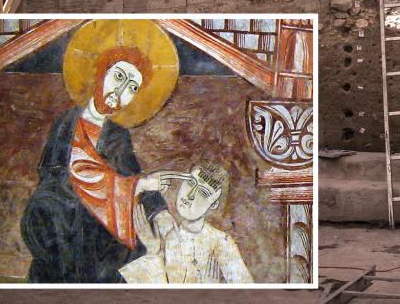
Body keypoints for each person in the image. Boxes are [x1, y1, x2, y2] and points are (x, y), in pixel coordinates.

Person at [21, 48, 188, 282]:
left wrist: (159, 213)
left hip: (100, 240)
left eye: (132, 88)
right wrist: (123, 187)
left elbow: (132, 176)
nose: (120, 91)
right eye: (119, 77)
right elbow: (50, 177)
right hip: (60, 232)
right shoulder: (66, 124)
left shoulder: (117, 135)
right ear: (102, 72)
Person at [120, 161, 253, 284]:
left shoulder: (220, 243)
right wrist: (153, 251)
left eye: (203, 192)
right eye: (190, 183)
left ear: (214, 204)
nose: (190, 195)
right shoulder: (160, 233)